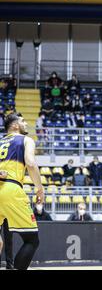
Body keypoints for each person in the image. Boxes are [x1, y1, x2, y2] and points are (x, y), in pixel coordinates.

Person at [0, 113, 44, 270]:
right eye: (23, 121)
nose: (26, 123)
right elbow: (31, 164)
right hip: (11, 189)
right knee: (32, 240)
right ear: (15, 126)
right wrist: (40, 189)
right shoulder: (25, 140)